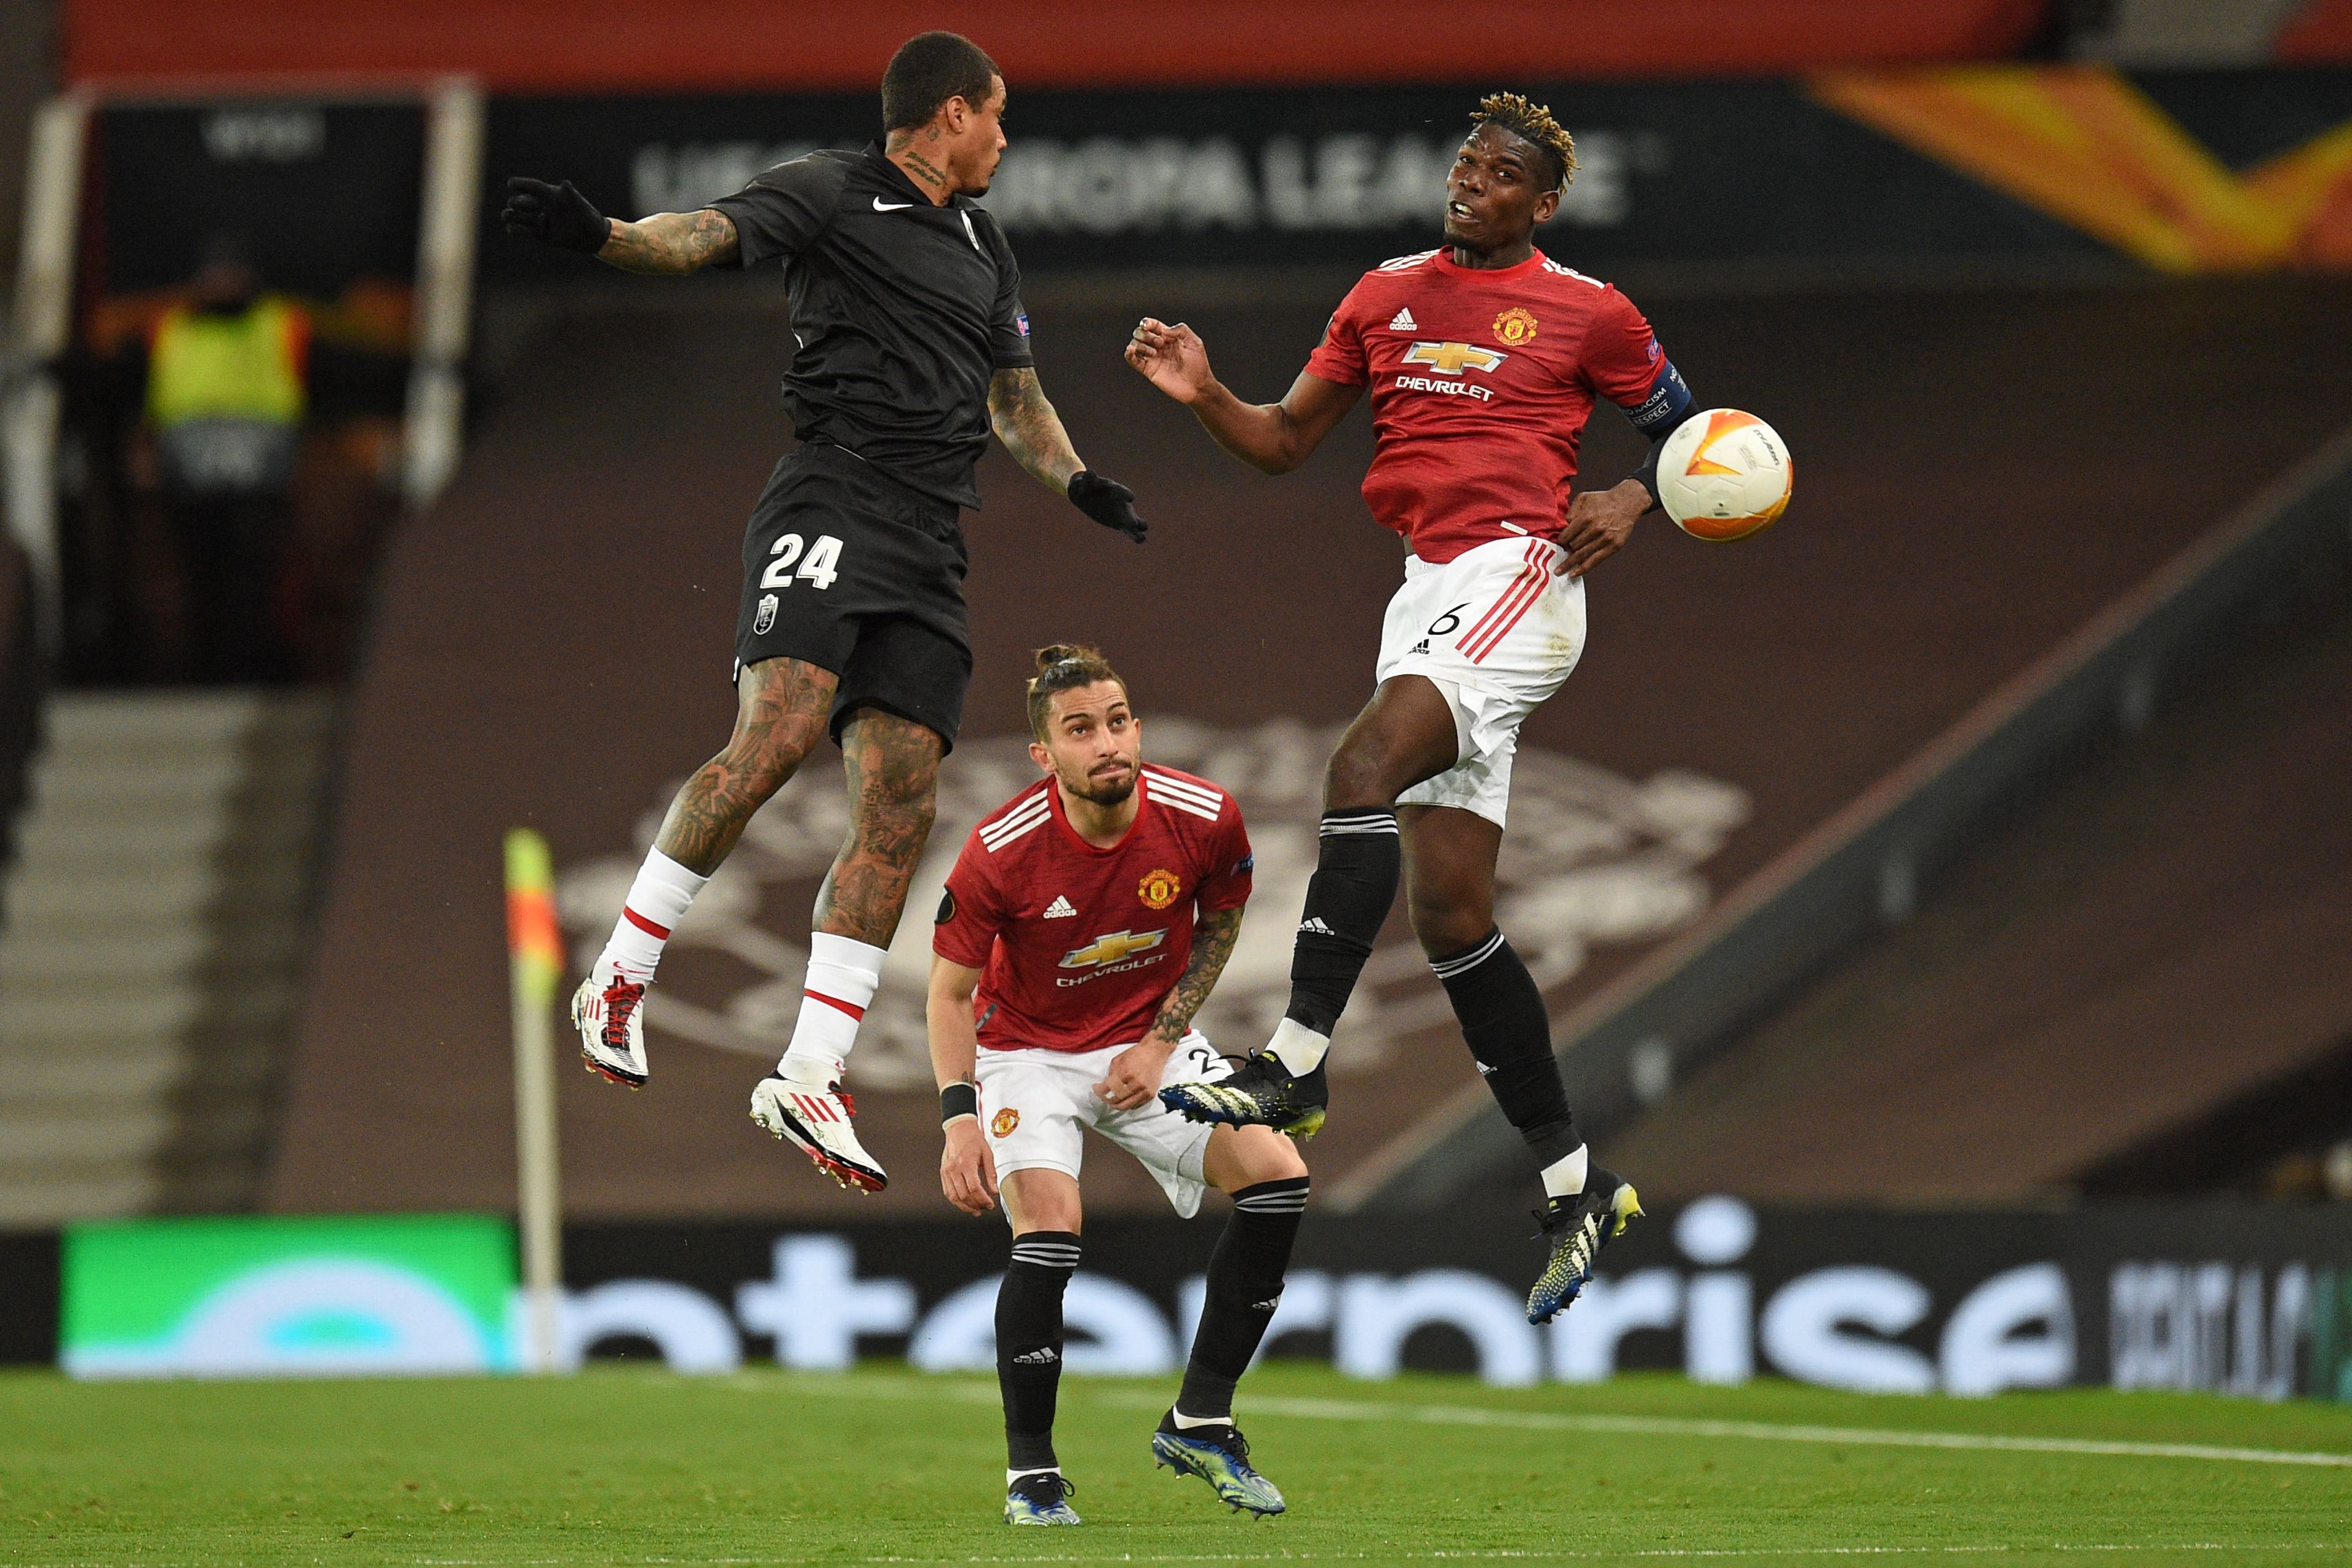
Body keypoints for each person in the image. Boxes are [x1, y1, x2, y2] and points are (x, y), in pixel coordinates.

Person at [500, 32, 1152, 1194]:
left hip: (929, 540)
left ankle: (810, 1067)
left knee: (903, 798)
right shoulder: (828, 189)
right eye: (997, 115)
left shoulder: (985, 245)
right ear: (950, 114)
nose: (1006, 136)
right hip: (833, 490)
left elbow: (1016, 396)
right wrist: (601, 237)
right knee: (780, 731)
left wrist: (1078, 479)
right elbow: (699, 235)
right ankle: (620, 972)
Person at [1126, 93, 1702, 1324]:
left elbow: (1699, 427)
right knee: (1452, 916)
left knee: (1359, 764)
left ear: (1543, 204)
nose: (1471, 182)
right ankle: (1576, 1182)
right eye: (1465, 164)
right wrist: (1204, 392)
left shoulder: (1592, 310)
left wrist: (1637, 496)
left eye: (1500, 175)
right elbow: (1284, 441)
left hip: (1520, 576)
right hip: (1427, 590)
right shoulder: (1383, 292)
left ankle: (1291, 1064)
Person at [930, 645, 1308, 1525]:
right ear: (1044, 755)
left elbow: (1220, 923)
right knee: (1052, 1227)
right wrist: (958, 1123)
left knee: (1277, 1172)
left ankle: (1200, 1419)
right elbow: (947, 995)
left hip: (1149, 1043)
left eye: (1118, 720)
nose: (1107, 742)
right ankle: (1033, 1475)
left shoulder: (1204, 815)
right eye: (1079, 730)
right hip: (1026, 1052)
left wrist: (1160, 1038)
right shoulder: (999, 852)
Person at [139, 236, 309, 682]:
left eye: (231, 276)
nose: (223, 286)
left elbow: (341, 367)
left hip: (259, 479)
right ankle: (205, 669)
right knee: (201, 575)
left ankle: (249, 667)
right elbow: (126, 374)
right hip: (191, 480)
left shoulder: (280, 324)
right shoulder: (171, 328)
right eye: (214, 277)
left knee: (252, 573)